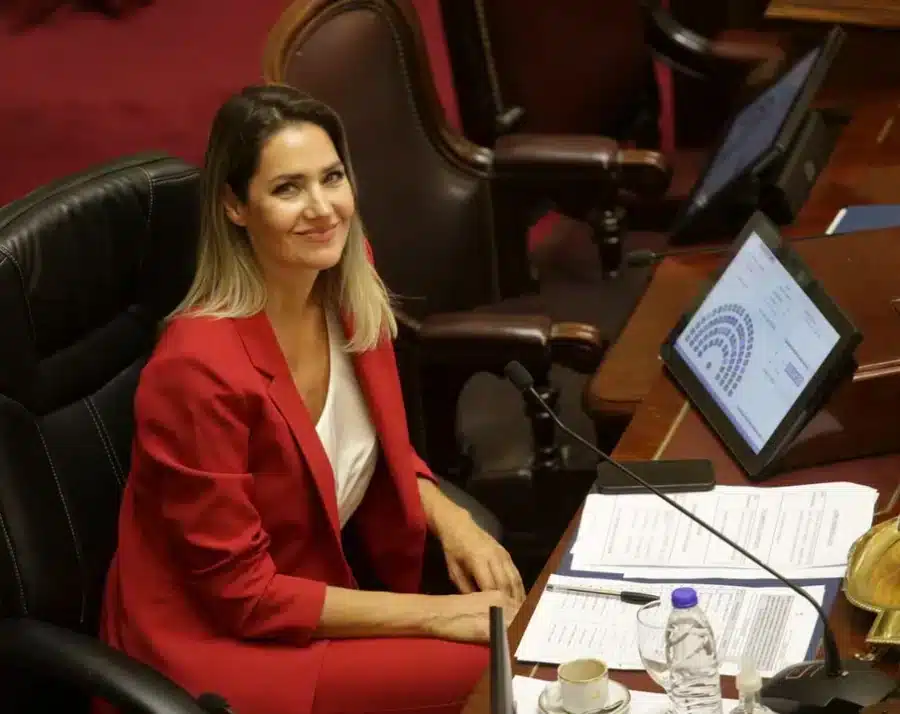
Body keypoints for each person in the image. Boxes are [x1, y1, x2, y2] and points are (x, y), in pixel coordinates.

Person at [93, 84, 524, 714]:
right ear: (235, 206)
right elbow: (243, 596)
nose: (323, 210)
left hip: (311, 590)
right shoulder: (197, 370)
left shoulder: (344, 277)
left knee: (511, 644)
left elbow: (368, 445)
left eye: (332, 177)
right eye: (288, 188)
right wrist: (434, 615)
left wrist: (451, 519)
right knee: (496, 667)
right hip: (213, 643)